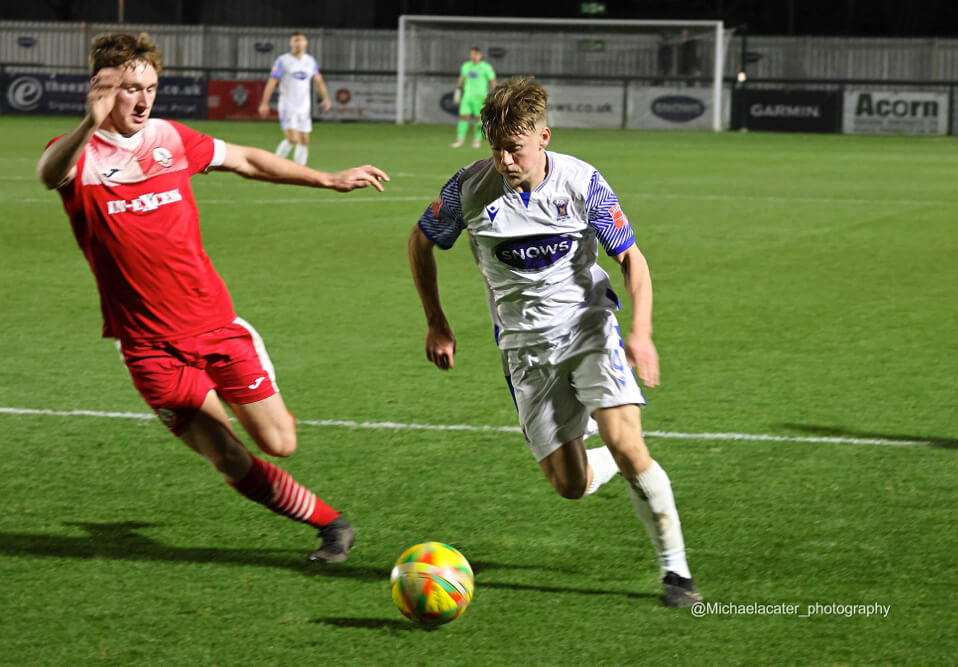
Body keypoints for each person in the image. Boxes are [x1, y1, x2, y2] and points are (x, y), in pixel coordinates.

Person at [37, 33, 388, 563]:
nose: (143, 99)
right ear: (103, 89)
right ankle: (330, 524)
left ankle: (236, 388)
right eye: (131, 89)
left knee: (279, 443)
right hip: (148, 346)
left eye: (150, 88)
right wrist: (90, 122)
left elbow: (245, 159)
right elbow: (49, 175)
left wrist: (329, 180)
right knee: (226, 455)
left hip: (215, 324)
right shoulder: (79, 156)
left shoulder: (169, 138)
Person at [409, 76, 702, 607]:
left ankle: (675, 572)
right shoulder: (468, 189)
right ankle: (613, 449)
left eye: (514, 148)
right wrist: (436, 321)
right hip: (524, 350)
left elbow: (631, 258)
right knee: (570, 485)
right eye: (496, 148)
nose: (504, 159)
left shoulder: (582, 182)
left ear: (543, 137)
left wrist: (641, 330)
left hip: (589, 329)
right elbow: (420, 241)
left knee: (629, 443)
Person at [257, 32, 331, 166]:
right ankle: (273, 168)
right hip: (288, 105)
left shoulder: (310, 61)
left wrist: (325, 98)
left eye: (300, 40)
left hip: (304, 106)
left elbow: (318, 81)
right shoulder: (283, 60)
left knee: (304, 141)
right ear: (291, 44)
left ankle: (300, 172)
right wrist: (264, 103)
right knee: (292, 139)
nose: (297, 43)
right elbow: (272, 82)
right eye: (295, 41)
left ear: (305, 43)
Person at [450, 47, 496, 149]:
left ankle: (477, 140)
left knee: (478, 119)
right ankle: (460, 140)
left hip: (480, 97)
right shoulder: (466, 66)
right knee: (463, 117)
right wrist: (458, 90)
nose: (474, 56)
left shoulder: (486, 67)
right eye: (472, 54)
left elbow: (492, 80)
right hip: (467, 96)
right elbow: (462, 78)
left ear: (480, 55)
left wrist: (494, 93)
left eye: (476, 54)